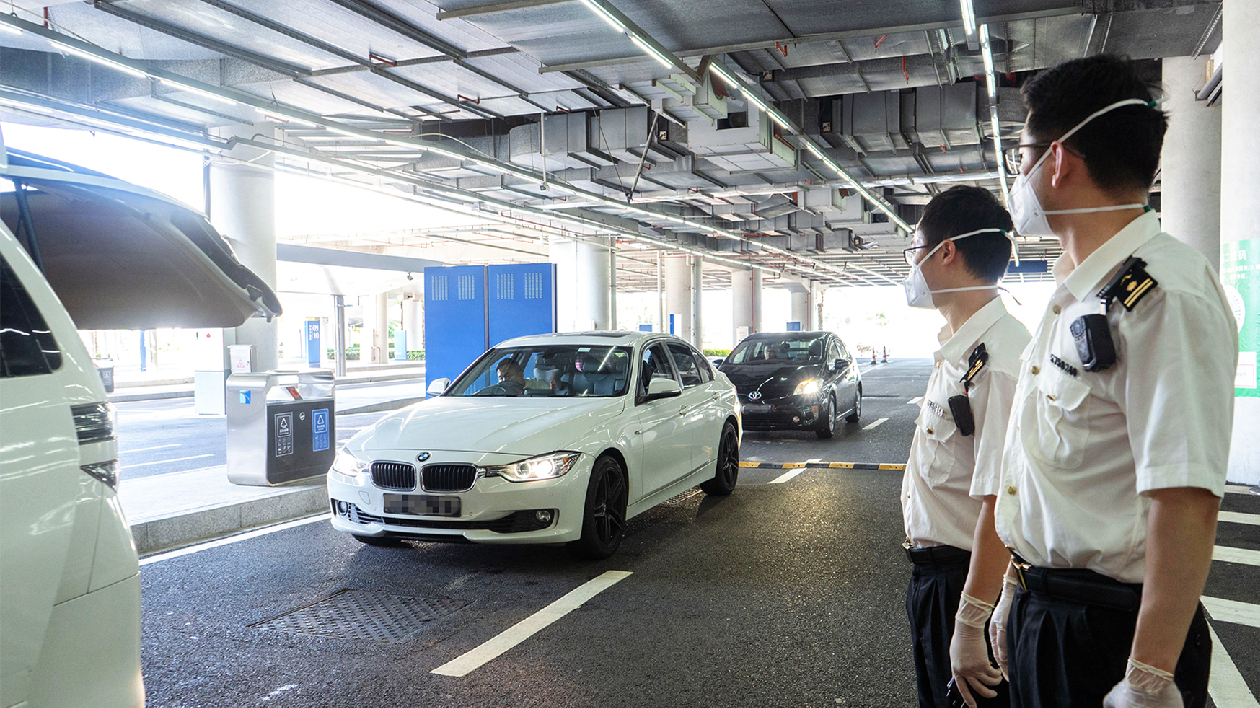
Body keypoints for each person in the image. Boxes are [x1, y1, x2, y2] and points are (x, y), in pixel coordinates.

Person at [989, 55, 1238, 708]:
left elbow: (1184, 496)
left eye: (1022, 155)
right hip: (1052, 613)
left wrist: (1149, 677)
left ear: (1059, 160)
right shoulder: (1076, 293)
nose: (1019, 175)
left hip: (1110, 637)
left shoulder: (1164, 294)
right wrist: (1018, 591)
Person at [900, 185, 1030, 708]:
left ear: (946, 251)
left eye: (915, 251)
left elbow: (1001, 499)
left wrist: (971, 619)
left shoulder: (998, 361)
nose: (911, 266)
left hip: (965, 579)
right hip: (937, 578)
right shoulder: (961, 351)